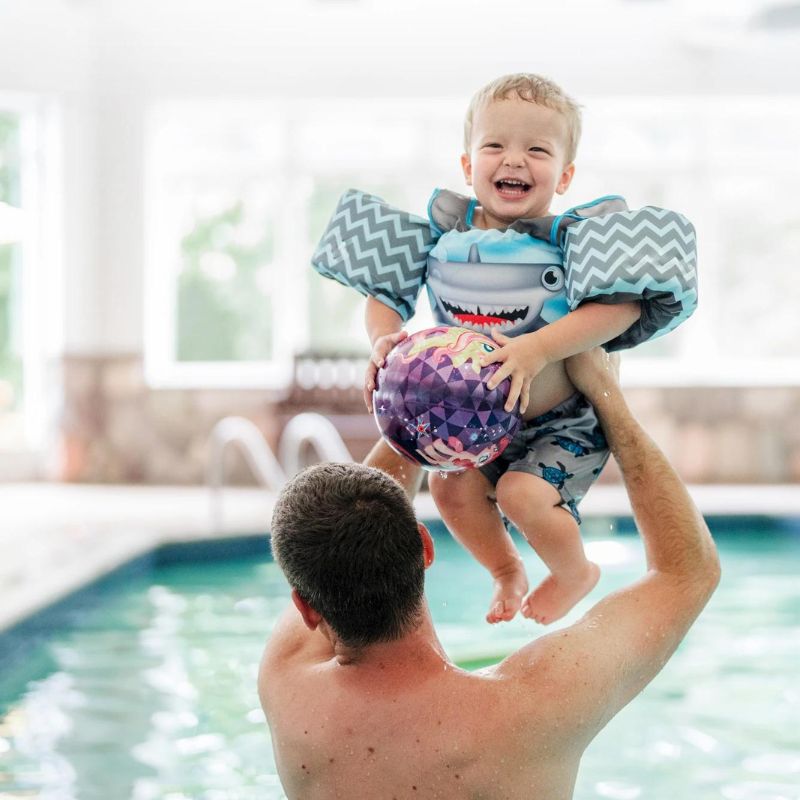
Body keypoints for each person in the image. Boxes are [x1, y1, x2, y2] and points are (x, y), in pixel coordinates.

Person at [313, 72, 697, 626]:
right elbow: (383, 297)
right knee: (449, 490)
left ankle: (573, 571)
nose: (513, 160)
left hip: (560, 422)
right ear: (468, 166)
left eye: (536, 149)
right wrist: (383, 340)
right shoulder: (440, 237)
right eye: (495, 145)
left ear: (564, 176)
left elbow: (623, 308)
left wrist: (537, 349)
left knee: (522, 496)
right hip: (470, 424)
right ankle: (505, 570)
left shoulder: (571, 240)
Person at [259, 348, 720, 800]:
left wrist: (420, 406)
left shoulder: (286, 686)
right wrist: (607, 395)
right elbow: (687, 573)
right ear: (425, 547)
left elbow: (340, 539)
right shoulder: (530, 707)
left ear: (306, 607)